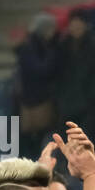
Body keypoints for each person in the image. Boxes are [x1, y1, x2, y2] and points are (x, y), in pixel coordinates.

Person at [55, 9, 95, 142]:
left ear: (85, 25)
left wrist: (89, 98)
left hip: (90, 107)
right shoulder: (62, 46)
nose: (75, 28)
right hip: (67, 106)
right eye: (73, 25)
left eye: (79, 24)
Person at [15, 14, 62, 148]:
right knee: (33, 136)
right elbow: (41, 70)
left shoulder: (44, 45)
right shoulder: (30, 48)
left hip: (41, 97)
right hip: (34, 99)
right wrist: (53, 52)